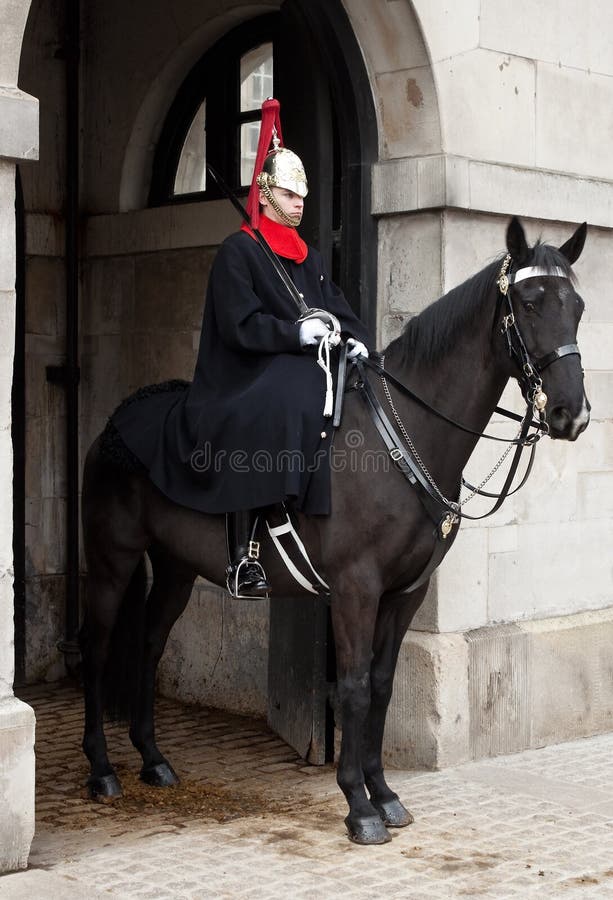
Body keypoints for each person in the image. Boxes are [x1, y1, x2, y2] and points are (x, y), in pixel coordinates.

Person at [112, 98, 371, 599]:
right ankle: (243, 554)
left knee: (326, 384)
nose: (300, 204)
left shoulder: (307, 257)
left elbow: (336, 304)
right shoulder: (240, 251)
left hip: (296, 367)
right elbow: (239, 325)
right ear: (267, 194)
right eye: (291, 196)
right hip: (240, 373)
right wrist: (294, 334)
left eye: (302, 196)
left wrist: (354, 338)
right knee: (286, 390)